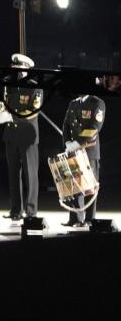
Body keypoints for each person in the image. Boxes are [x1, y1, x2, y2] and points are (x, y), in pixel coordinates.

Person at [0, 53, 43, 222]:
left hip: (27, 136)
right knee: (13, 174)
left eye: (19, 68)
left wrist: (11, 117)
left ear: (26, 67)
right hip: (11, 135)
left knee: (30, 175)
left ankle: (31, 212)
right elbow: (5, 105)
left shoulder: (35, 87)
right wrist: (2, 113)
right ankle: (16, 210)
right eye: (14, 67)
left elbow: (32, 111)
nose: (16, 70)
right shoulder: (10, 85)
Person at [62, 93, 106, 227]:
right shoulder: (73, 103)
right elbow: (66, 125)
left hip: (89, 150)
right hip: (74, 151)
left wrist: (77, 143)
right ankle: (75, 219)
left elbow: (94, 127)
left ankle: (89, 219)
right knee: (75, 186)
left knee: (89, 188)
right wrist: (68, 142)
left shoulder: (97, 102)